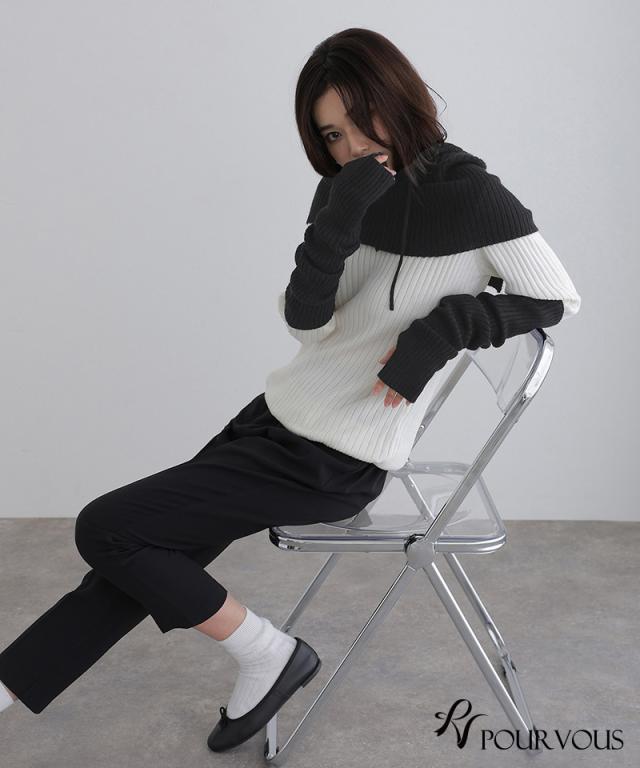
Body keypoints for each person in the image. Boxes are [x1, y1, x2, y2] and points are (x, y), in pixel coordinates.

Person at [0, 26, 581, 754]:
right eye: (332, 135)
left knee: (107, 527)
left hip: (334, 459)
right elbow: (307, 324)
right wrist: (340, 215)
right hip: (276, 418)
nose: (351, 147)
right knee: (143, 544)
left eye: (360, 121)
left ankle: (267, 653)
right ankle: (11, 683)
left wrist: (445, 329)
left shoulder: (476, 198)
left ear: (399, 99)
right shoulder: (345, 190)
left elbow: (556, 299)